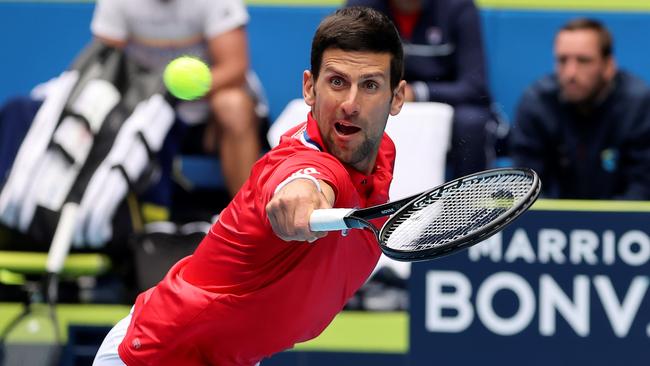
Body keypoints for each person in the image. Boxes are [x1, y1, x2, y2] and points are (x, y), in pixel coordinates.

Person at [93, 6, 406, 365]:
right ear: (309, 88)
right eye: (336, 82)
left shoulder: (379, 160)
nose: (350, 104)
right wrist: (303, 197)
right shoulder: (302, 164)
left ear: (396, 98)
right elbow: (301, 180)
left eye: (369, 85)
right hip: (158, 353)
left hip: (229, 355)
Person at [91, 0, 267, 197]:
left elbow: (234, 69)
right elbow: (105, 67)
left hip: (206, 119)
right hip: (145, 113)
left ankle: (249, 218)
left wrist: (173, 92)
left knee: (233, 106)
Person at [346, 0, 494, 178]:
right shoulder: (360, 6)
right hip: (379, 97)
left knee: (471, 122)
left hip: (445, 102)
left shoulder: (459, 7)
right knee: (348, 111)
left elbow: (474, 86)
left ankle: (469, 199)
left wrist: (417, 93)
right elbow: (345, 69)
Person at [510, 18, 650, 200]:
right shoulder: (537, 103)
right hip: (552, 224)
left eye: (583, 61)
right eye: (562, 60)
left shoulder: (637, 105)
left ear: (608, 66)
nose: (570, 73)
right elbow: (525, 185)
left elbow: (643, 186)